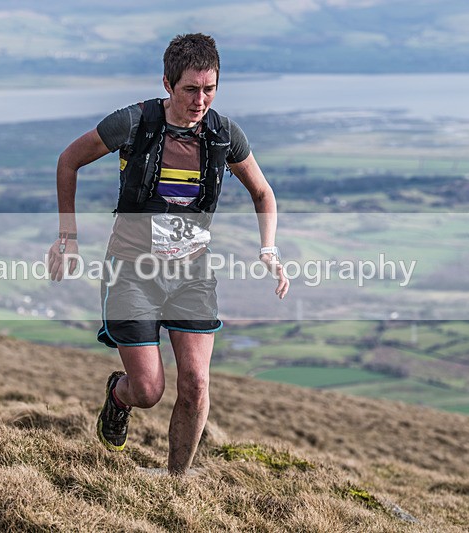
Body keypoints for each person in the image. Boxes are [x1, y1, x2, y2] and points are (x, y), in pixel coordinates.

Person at [47, 33, 288, 475]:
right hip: (132, 271)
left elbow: (262, 192)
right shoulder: (133, 123)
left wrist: (269, 249)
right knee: (148, 390)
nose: (200, 100)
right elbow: (69, 160)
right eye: (190, 89)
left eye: (209, 89)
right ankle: (119, 396)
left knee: (195, 384)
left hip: (192, 274)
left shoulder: (223, 135)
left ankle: (176, 482)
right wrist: (69, 235)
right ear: (167, 83)